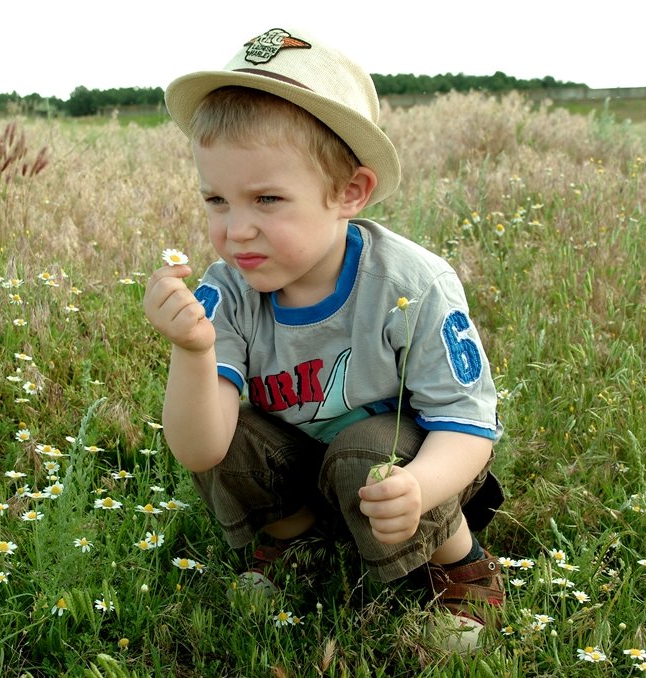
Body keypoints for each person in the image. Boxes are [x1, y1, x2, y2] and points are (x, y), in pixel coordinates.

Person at [143, 26, 504, 650]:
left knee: (367, 445)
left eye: (268, 199)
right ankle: (295, 534)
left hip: (407, 470)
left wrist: (420, 487)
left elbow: (466, 424)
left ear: (348, 193)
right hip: (305, 464)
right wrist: (192, 352)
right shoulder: (227, 293)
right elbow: (200, 450)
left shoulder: (411, 283)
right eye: (217, 200)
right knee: (233, 437)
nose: (237, 230)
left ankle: (455, 562)